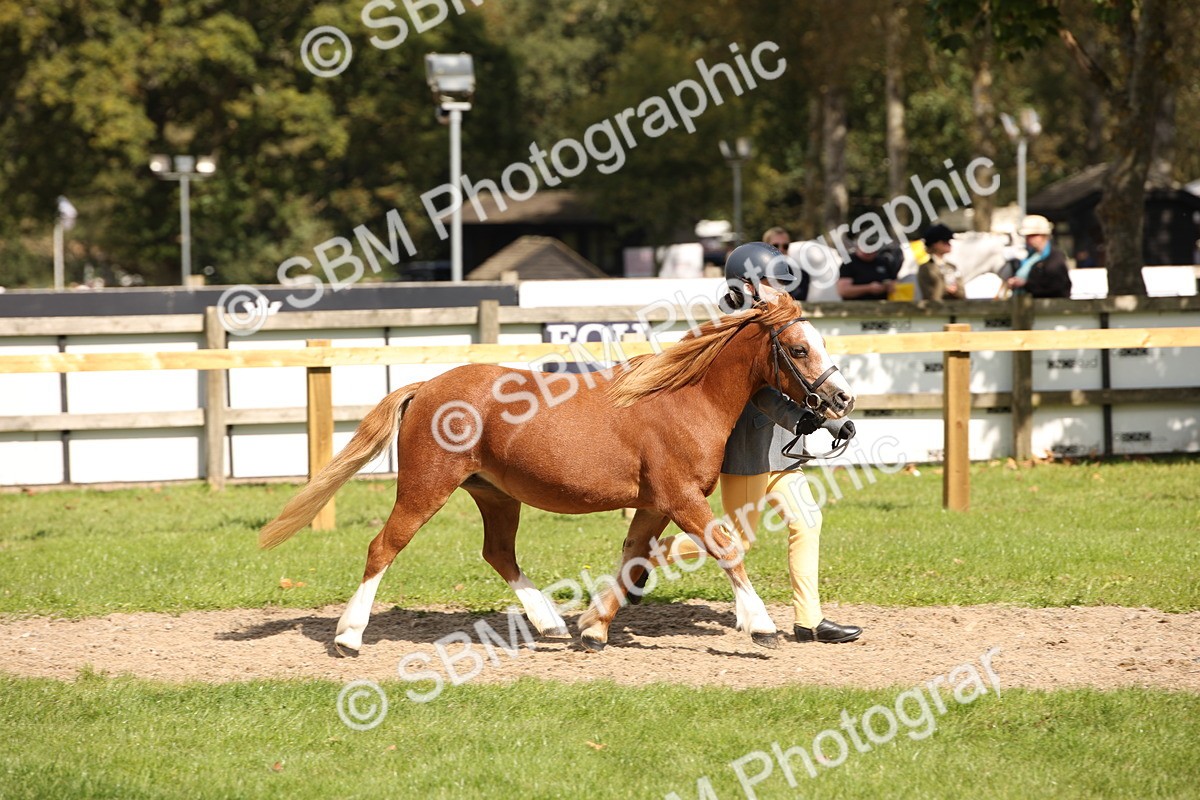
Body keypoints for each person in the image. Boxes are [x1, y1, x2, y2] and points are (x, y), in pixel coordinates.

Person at [637, 242, 862, 644]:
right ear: (747, 284)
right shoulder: (737, 326)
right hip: (748, 452)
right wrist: (809, 420)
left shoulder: (779, 317)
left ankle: (810, 621)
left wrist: (832, 421)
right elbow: (761, 395)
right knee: (738, 539)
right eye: (770, 281)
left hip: (782, 449)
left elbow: (805, 373)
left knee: (807, 521)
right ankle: (644, 557)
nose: (779, 289)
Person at [1007, 215, 1071, 298]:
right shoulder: (1029, 257)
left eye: (1033, 235)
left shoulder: (1055, 258)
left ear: (1044, 235)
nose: (1028, 239)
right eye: (1027, 236)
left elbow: (1055, 286)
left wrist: (1026, 284)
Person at [838, 233, 902, 300]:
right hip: (857, 305)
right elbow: (843, 291)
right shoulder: (849, 263)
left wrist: (889, 286)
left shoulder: (883, 261)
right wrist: (868, 288)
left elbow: (895, 281)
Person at [762, 226, 810, 301]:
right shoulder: (753, 276)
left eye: (785, 246)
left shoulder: (802, 276)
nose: (781, 249)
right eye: (775, 246)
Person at [918, 223, 964, 301]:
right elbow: (930, 295)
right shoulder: (925, 268)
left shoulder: (952, 267)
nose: (949, 244)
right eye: (945, 241)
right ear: (935, 244)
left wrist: (956, 291)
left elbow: (963, 293)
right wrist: (945, 288)